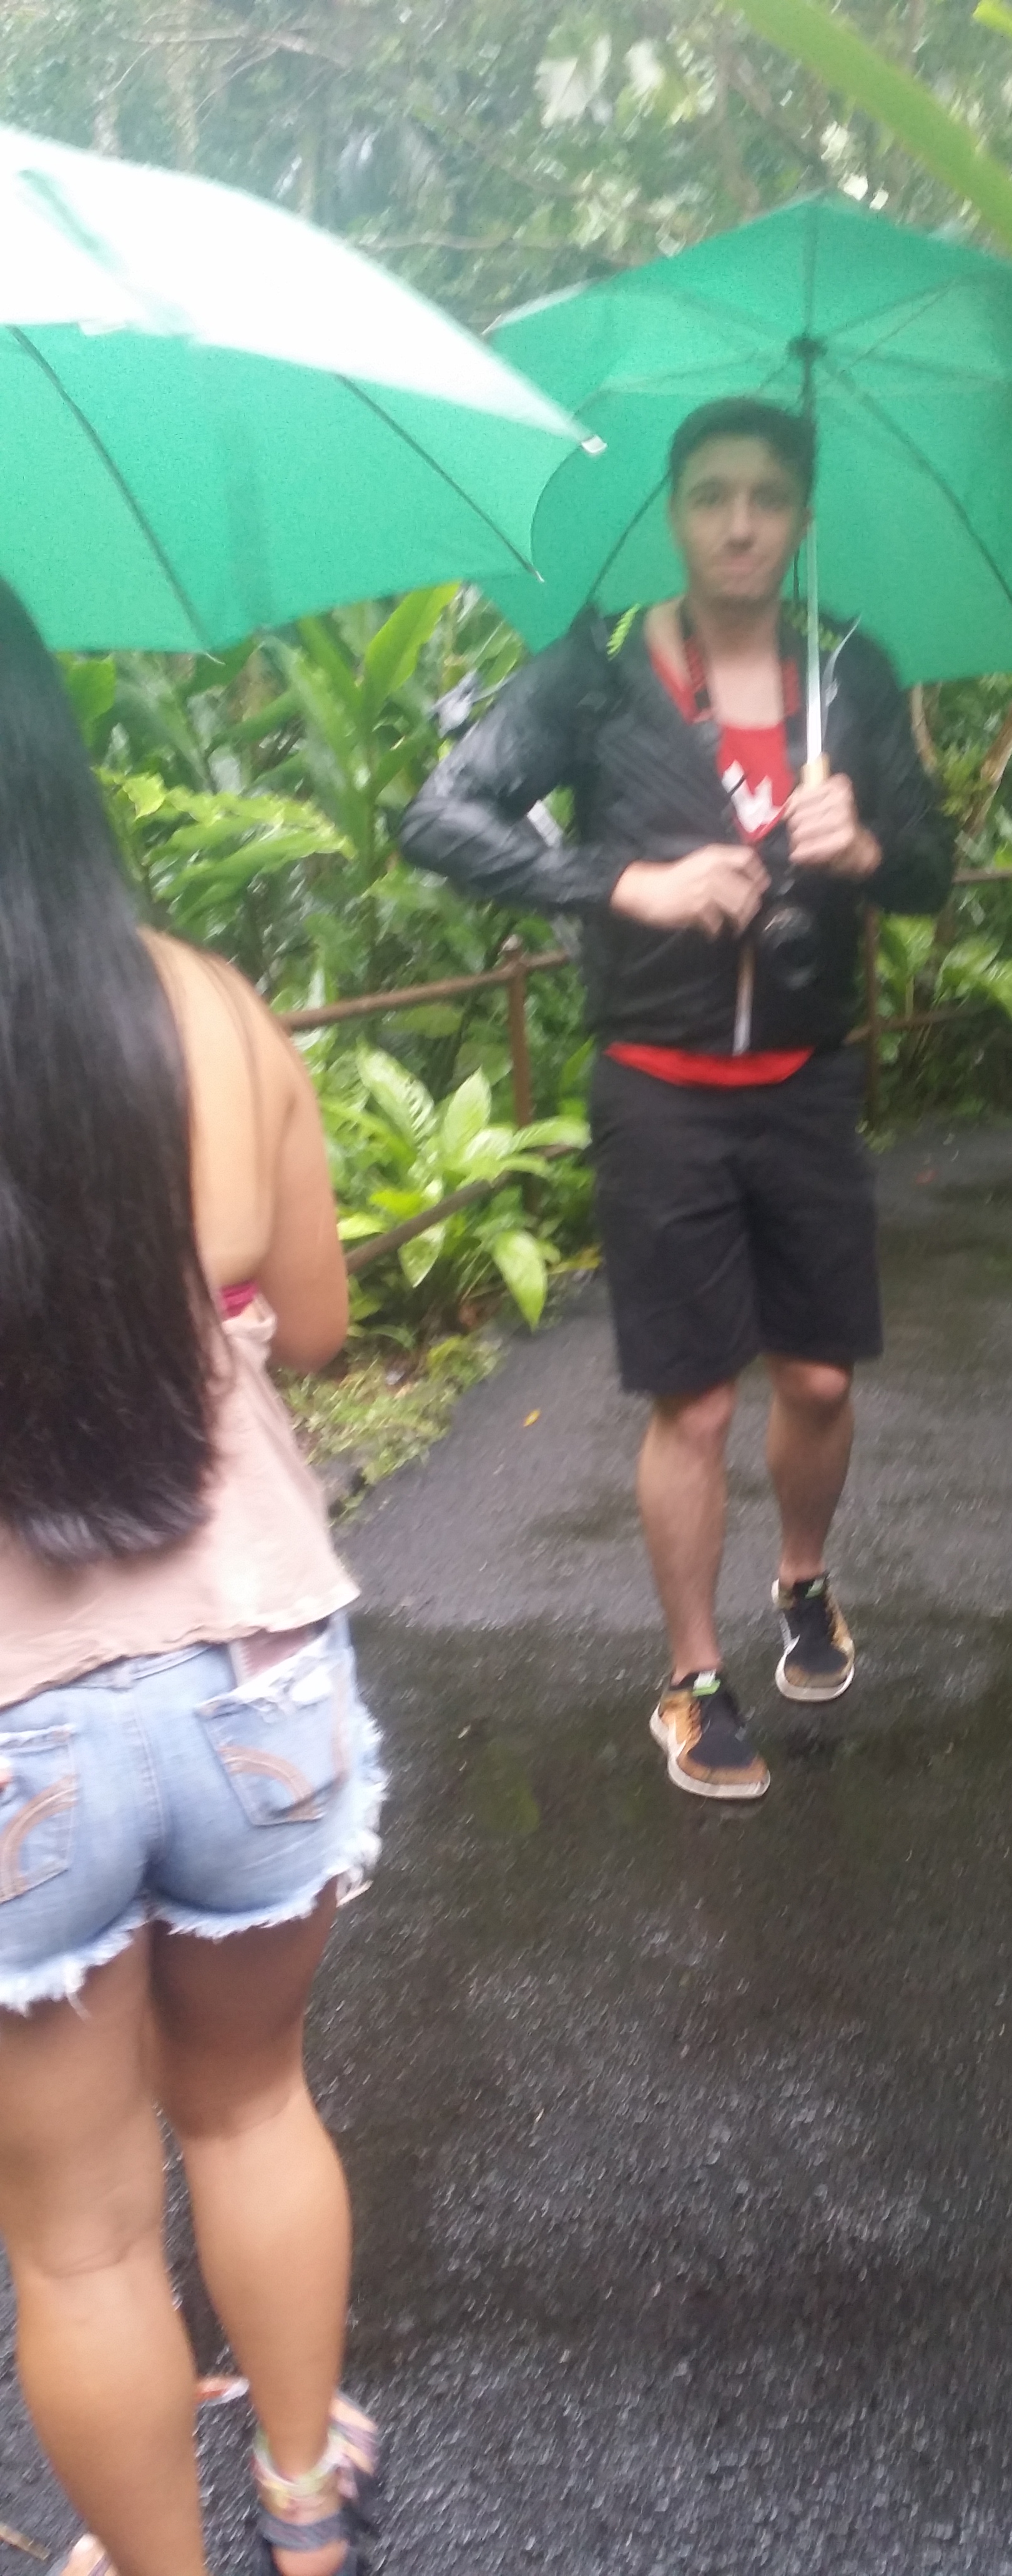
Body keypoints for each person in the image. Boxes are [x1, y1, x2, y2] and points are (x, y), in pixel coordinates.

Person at [401, 397, 953, 1802]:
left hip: (807, 1081)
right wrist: (623, 883)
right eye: (712, 495)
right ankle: (693, 1679)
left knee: (818, 1379)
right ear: (674, 511)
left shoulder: (853, 675)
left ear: (803, 517)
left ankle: (803, 1579)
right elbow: (440, 817)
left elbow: (933, 867)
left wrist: (865, 846)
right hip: (657, 1089)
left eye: (767, 496)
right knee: (695, 1405)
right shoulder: (595, 673)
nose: (739, 523)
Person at [0, 579, 383, 2576]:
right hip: (257, 1675)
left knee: (78, 2239)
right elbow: (314, 1323)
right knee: (250, 2107)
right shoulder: (213, 1007)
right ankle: (306, 2505)